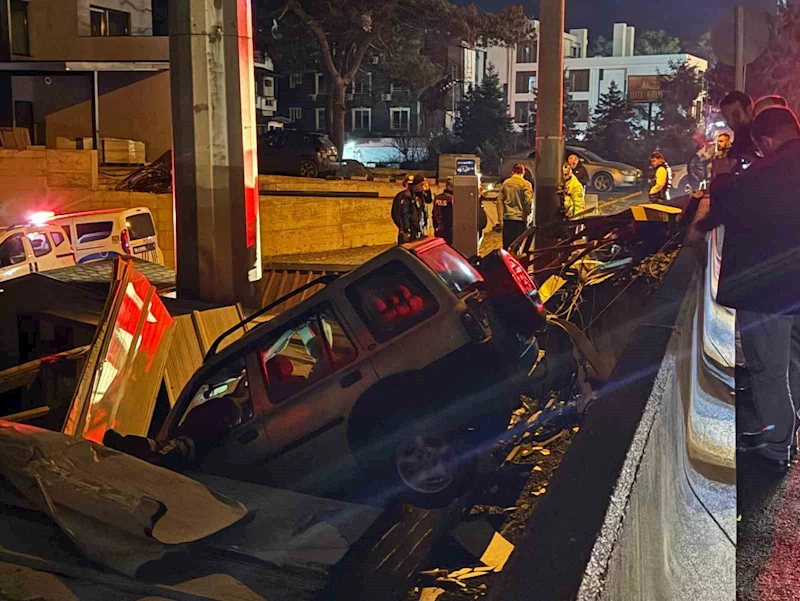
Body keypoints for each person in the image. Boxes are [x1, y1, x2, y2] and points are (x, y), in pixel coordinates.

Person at [699, 106, 800, 472]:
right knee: (792, 362)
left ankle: (777, 449)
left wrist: (722, 177)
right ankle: (786, 430)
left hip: (771, 290)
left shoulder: (771, 170)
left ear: (765, 141)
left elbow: (729, 207)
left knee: (768, 371)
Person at [720, 91, 759, 168]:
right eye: (727, 119)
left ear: (749, 110)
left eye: (736, 116)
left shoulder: (759, 140)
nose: (731, 123)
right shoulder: (737, 146)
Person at [499, 163, 534, 249]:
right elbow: (528, 202)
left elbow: (499, 200)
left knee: (507, 245)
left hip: (507, 218)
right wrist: (528, 214)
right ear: (523, 172)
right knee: (517, 245)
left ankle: (506, 261)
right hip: (520, 219)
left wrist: (500, 218)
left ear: (512, 172)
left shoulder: (506, 183)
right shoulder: (526, 184)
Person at [392, 174, 427, 243]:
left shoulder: (419, 195)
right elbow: (402, 214)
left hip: (417, 230)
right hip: (410, 232)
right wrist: (405, 230)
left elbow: (428, 200)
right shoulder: (404, 196)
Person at [433, 177, 455, 244]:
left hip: (439, 229)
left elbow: (434, 214)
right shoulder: (452, 199)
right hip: (450, 231)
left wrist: (435, 227)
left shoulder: (438, 198)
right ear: (449, 187)